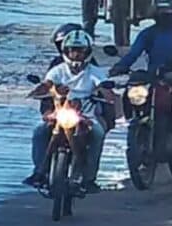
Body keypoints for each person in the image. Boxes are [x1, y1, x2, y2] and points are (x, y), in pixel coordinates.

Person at [23, 29, 112, 193]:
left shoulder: (94, 72)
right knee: (39, 131)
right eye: (72, 50)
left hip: (87, 114)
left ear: (87, 52)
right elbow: (47, 84)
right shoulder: (58, 70)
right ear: (65, 51)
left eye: (80, 50)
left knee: (98, 133)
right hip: (60, 112)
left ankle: (89, 178)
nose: (76, 54)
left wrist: (107, 93)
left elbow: (105, 88)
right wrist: (37, 92)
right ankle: (39, 172)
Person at [111, 0, 172, 77]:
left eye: (168, 10)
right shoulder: (148, 34)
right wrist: (119, 67)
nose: (165, 14)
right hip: (152, 79)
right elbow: (133, 54)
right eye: (161, 11)